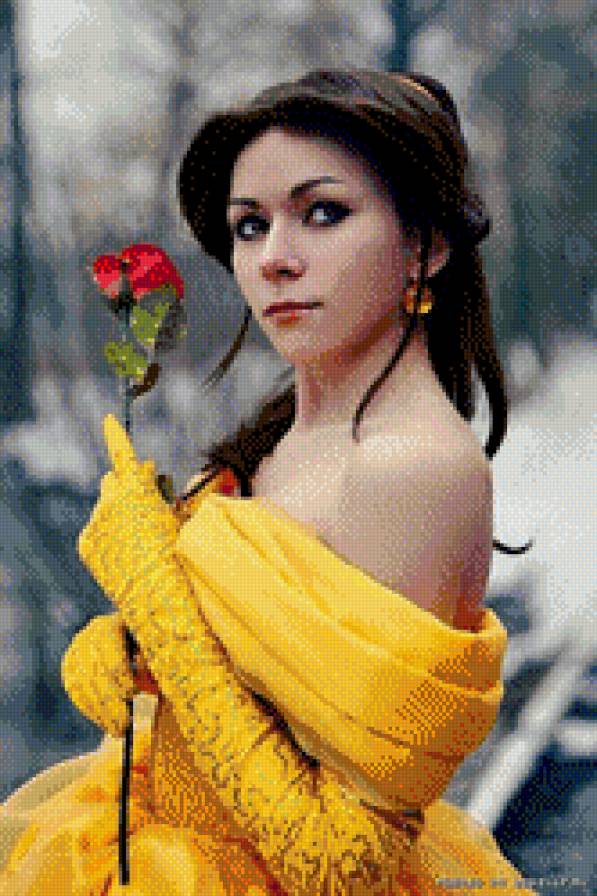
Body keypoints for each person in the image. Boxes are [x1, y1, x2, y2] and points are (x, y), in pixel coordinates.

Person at [0, 68, 536, 895]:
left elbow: (338, 860)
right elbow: (237, 682)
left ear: (425, 244)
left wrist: (162, 612)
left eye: (322, 213)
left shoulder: (410, 466)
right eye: (250, 225)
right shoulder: (277, 436)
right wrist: (127, 655)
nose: (274, 260)